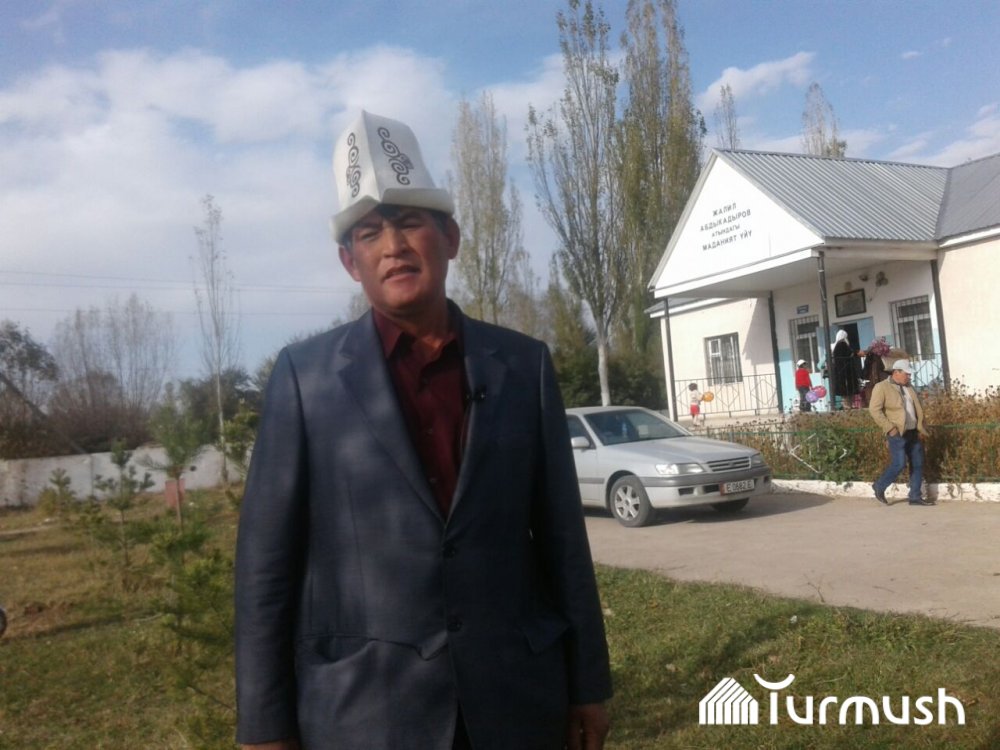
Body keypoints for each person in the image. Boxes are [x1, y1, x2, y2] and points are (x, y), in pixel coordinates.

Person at [234, 111, 612, 750]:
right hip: (366, 713)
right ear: (350, 262)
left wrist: (587, 683)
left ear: (450, 237)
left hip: (515, 702)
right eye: (369, 233)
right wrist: (264, 727)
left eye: (410, 222)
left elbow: (561, 540)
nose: (393, 246)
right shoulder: (305, 378)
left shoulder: (523, 366)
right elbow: (266, 565)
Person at [869, 359, 934, 506]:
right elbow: (874, 410)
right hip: (897, 432)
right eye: (907, 374)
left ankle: (915, 497)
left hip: (913, 431)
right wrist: (890, 428)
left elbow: (917, 408)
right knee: (899, 464)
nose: (909, 377)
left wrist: (921, 426)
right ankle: (879, 486)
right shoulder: (882, 387)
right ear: (896, 372)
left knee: (917, 464)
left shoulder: (909, 387)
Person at [830, 329, 862, 409]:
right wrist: (856, 353)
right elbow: (849, 354)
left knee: (846, 392)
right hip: (845, 372)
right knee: (847, 390)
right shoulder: (842, 344)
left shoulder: (837, 346)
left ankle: (848, 405)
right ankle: (847, 406)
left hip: (841, 372)